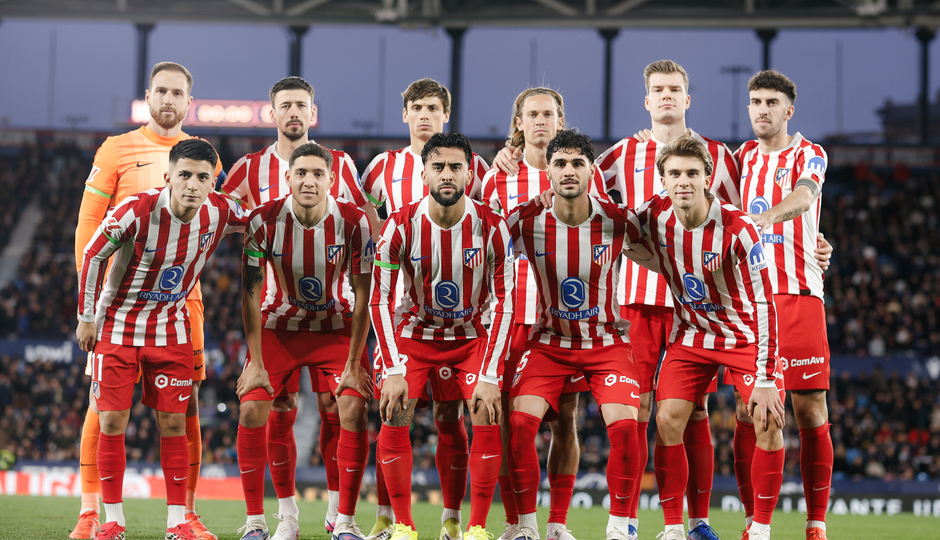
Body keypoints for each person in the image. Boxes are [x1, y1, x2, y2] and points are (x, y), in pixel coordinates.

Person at [220, 76, 377, 538]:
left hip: (334, 317)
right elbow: (222, 211)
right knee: (270, 406)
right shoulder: (250, 172)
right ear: (272, 113)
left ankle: (338, 517)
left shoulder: (342, 165)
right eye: (284, 104)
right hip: (278, 317)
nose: (293, 112)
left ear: (313, 113)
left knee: (339, 405)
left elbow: (368, 221)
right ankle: (275, 519)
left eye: (301, 105)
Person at [72, 61, 222, 540]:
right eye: (161, 91)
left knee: (187, 407)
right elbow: (88, 231)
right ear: (148, 95)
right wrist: (90, 306)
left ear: (188, 100)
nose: (169, 100)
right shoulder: (117, 149)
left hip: (182, 305)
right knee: (105, 409)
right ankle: (93, 511)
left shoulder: (204, 157)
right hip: (118, 307)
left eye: (178, 93)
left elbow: (228, 216)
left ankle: (186, 514)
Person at [625, 135, 785, 540]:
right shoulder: (654, 213)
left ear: (707, 178)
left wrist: (766, 380)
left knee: (767, 420)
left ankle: (760, 529)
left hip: (743, 336)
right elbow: (613, 230)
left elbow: (766, 303)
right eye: (674, 173)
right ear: (662, 179)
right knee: (666, 420)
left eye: (692, 173)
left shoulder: (739, 230)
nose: (682, 181)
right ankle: (675, 529)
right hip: (691, 335)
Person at [361, 79, 490, 540]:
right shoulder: (379, 170)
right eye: (416, 107)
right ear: (405, 114)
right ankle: (388, 514)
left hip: (461, 314)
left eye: (433, 107)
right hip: (400, 309)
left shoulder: (474, 168)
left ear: (445, 114)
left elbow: (484, 227)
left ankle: (454, 520)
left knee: (450, 417)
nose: (424, 115)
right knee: (392, 408)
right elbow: (371, 227)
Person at [371, 132, 513, 540]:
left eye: (455, 167)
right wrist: (394, 367)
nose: (447, 175)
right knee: (395, 411)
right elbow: (380, 300)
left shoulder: (492, 226)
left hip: (470, 337)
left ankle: (472, 527)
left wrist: (489, 373)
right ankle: (403, 525)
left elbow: (506, 303)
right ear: (424, 173)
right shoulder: (400, 225)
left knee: (482, 413)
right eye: (438, 167)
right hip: (415, 335)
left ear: (470, 174)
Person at [505, 130, 644, 540]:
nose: (569, 171)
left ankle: (620, 528)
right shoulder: (526, 220)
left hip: (604, 342)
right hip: (549, 342)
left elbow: (672, 243)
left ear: (591, 170)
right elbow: (477, 239)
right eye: (560, 164)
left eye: (577, 163)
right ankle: (530, 528)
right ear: (547, 171)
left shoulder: (619, 221)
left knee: (625, 427)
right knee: (520, 424)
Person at [481, 88, 604, 540]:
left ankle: (557, 525)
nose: (540, 121)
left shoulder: (583, 173)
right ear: (518, 122)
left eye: (548, 114)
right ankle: (518, 523)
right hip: (510, 315)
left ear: (561, 119)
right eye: (531, 114)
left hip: (563, 318)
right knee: (510, 419)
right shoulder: (498, 178)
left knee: (565, 419)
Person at [731, 70, 832, 540]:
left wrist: (769, 217)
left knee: (810, 408)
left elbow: (806, 195)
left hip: (798, 295)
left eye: (772, 102)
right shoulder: (738, 160)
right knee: (750, 411)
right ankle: (756, 523)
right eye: (755, 101)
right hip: (747, 303)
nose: (762, 109)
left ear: (788, 110)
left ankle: (816, 524)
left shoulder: (810, 153)